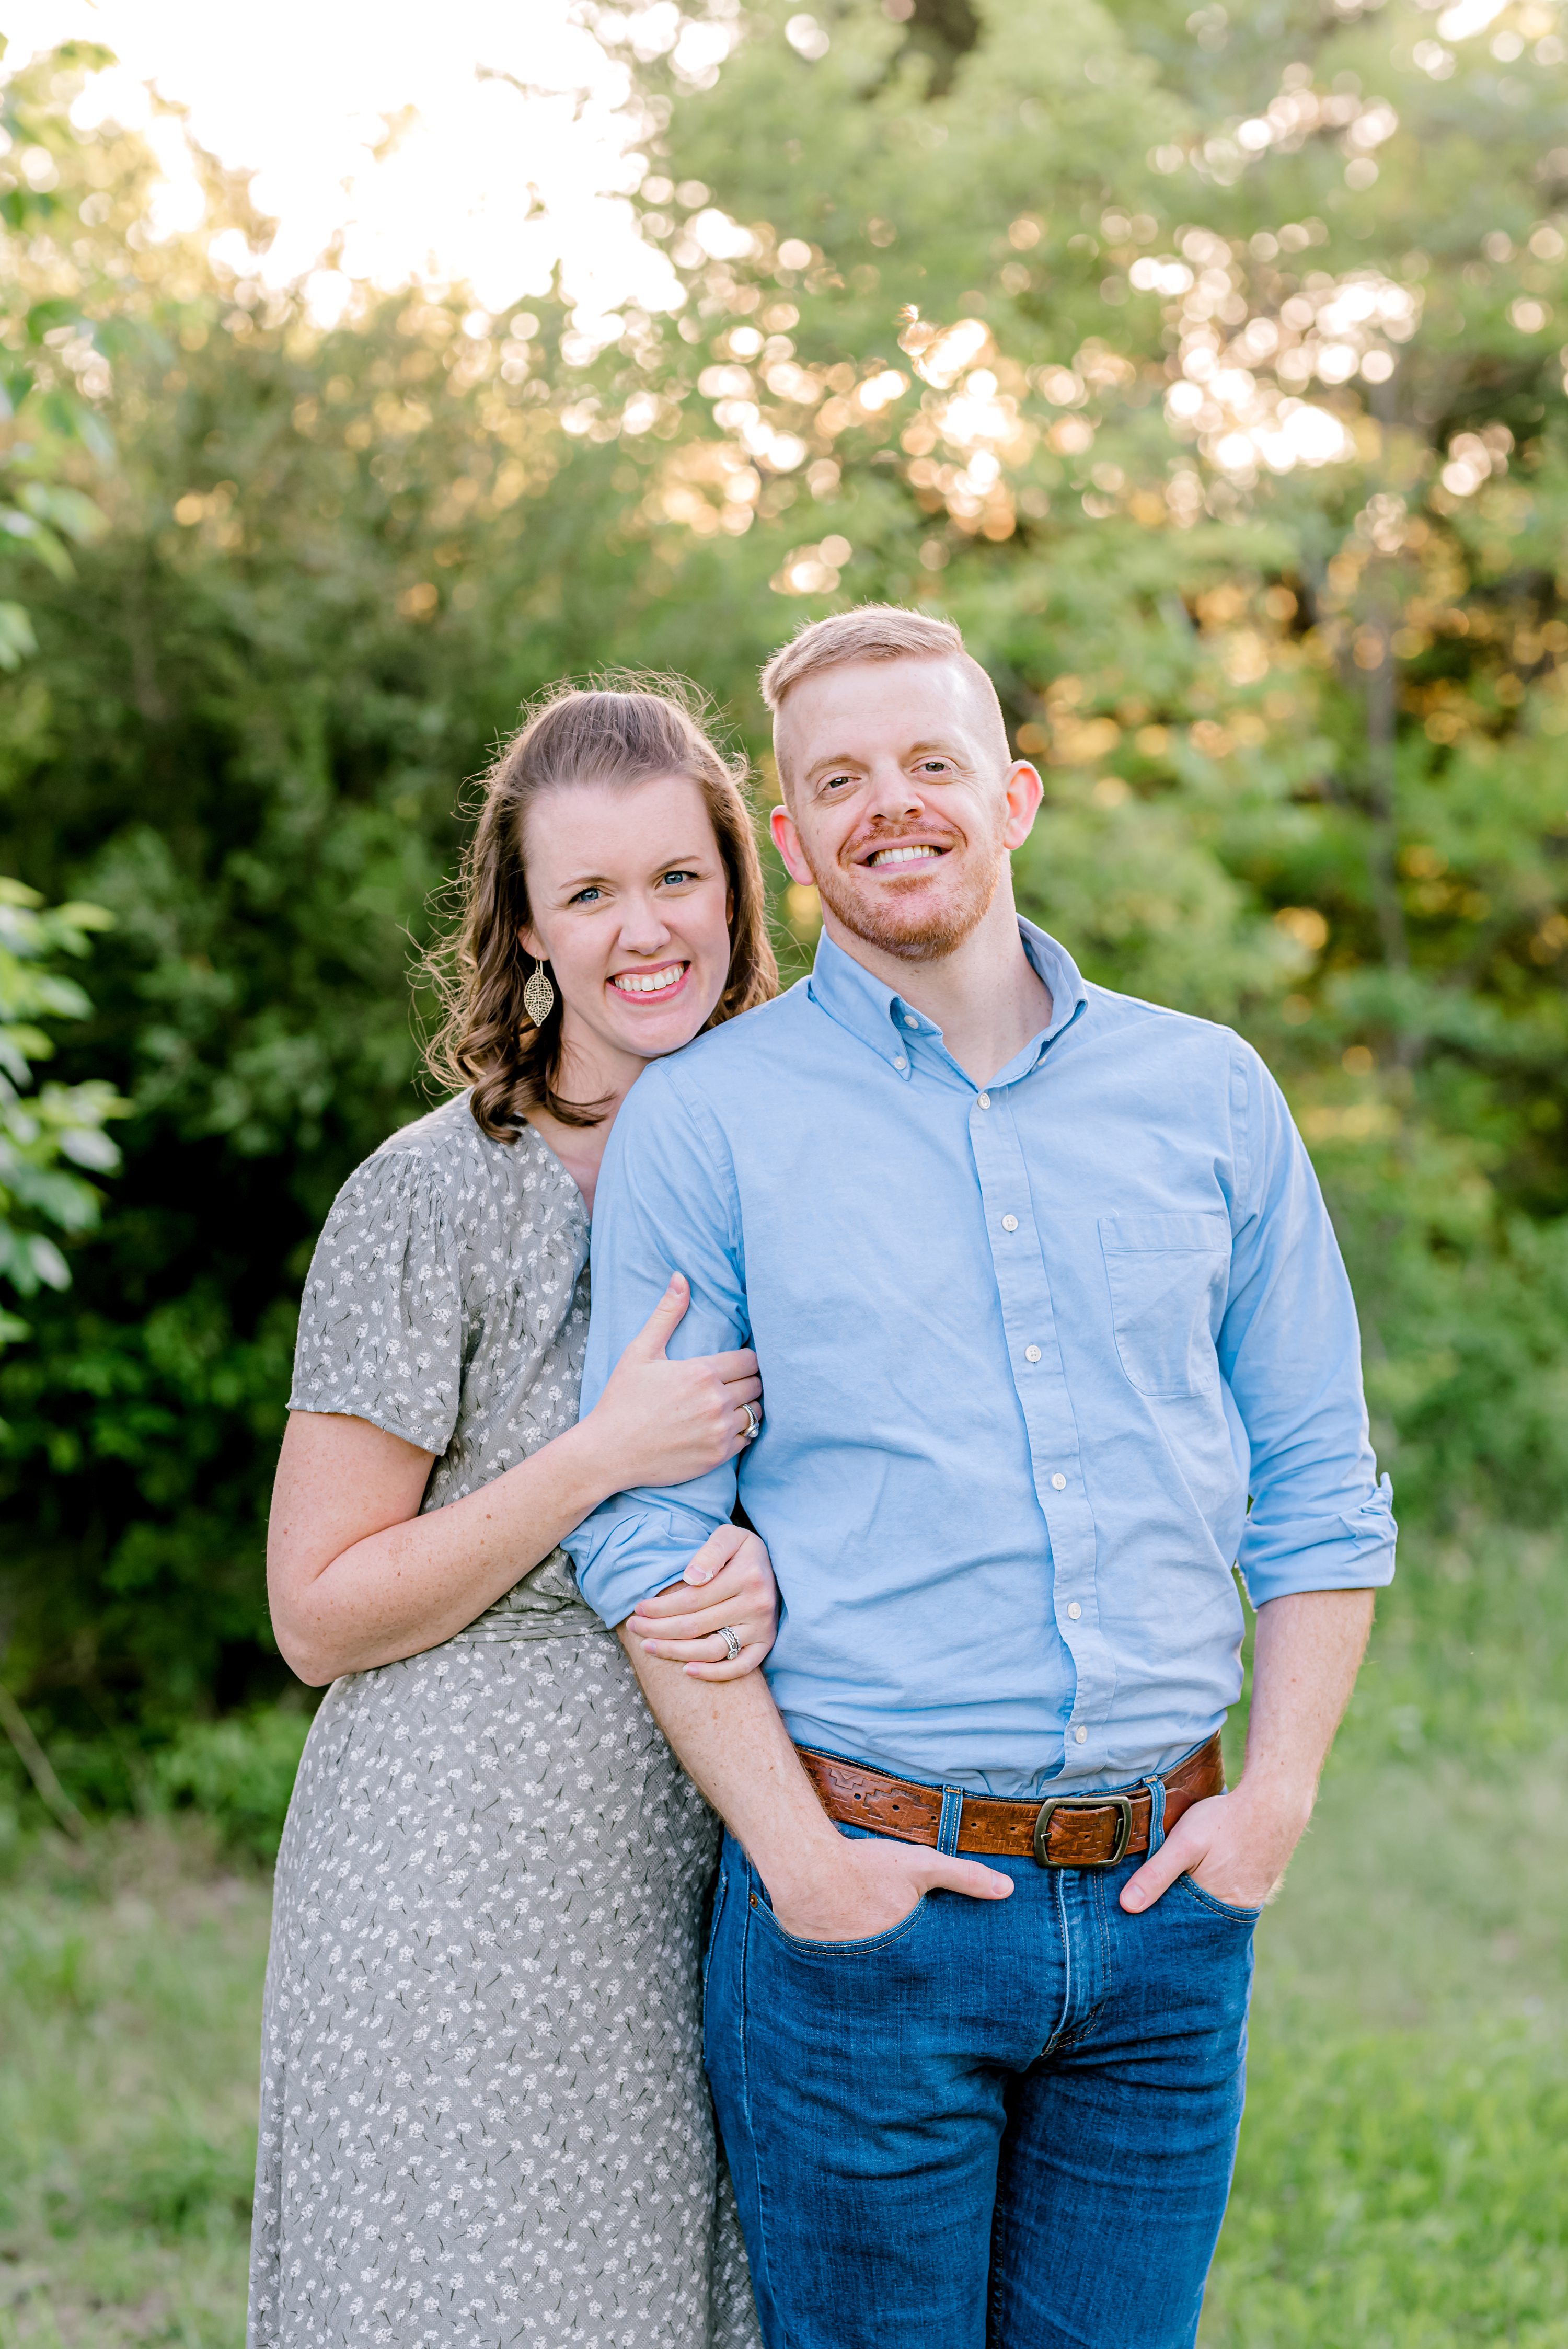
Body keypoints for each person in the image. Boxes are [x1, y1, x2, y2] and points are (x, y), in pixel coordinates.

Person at [566, 607, 1397, 2349]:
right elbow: (647, 1533)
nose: (893, 806)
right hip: (871, 1920)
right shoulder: (707, 1120)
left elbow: (1320, 1479)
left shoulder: (1211, 1094)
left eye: (931, 764)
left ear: (1011, 795)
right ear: (789, 843)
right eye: (839, 781)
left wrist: (1278, 1806)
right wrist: (802, 1866)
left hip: (1175, 1909)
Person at [248, 683, 779, 2349]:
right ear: (528, 930)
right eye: (592, 894)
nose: (646, 931)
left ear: (736, 888)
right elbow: (317, 1613)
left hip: (723, 1846)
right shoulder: (433, 1191)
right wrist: (598, 1456)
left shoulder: (803, 1157)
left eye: (677, 880)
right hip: (459, 1867)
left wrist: (774, 1556)